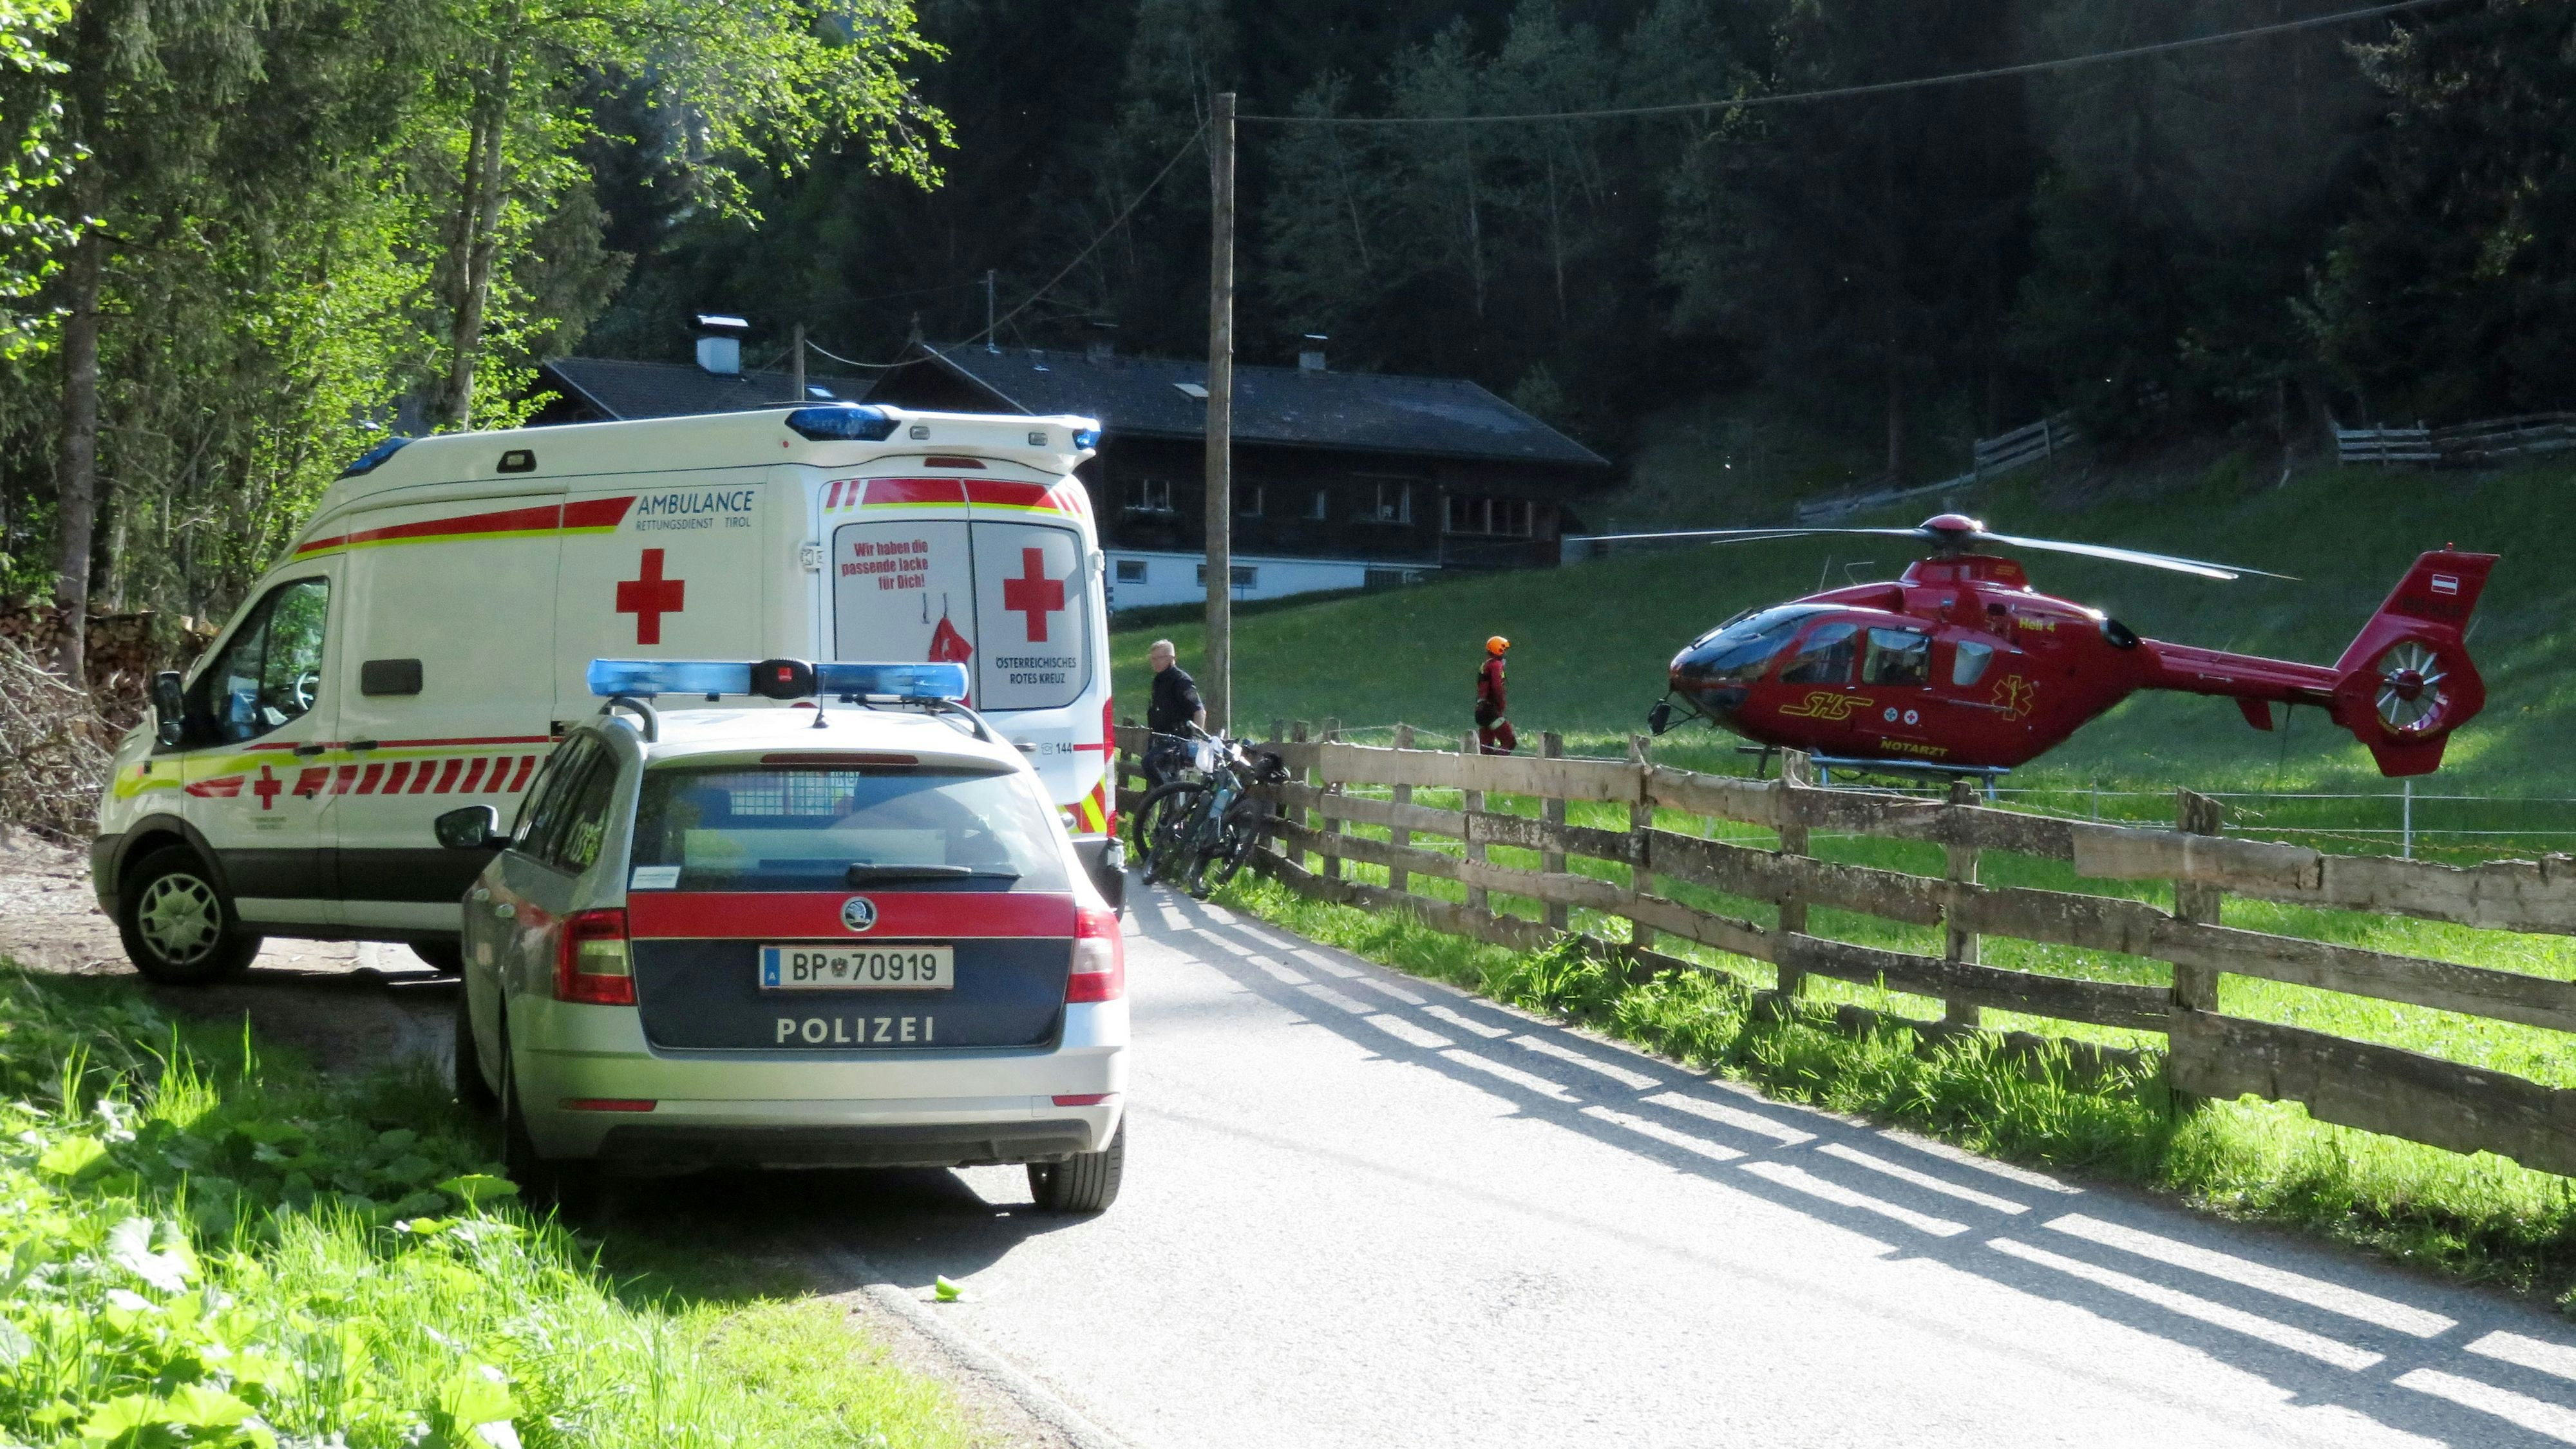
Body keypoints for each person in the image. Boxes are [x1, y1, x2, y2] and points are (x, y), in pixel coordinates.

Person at [1143, 638, 1207, 788]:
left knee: (1149, 763)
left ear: (1171, 658)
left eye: (1160, 658)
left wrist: (1195, 742)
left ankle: (1168, 794)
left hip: (1179, 738)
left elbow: (1199, 711)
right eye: (1153, 659)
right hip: (1162, 738)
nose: (1155, 662)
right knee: (1151, 764)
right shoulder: (1159, 680)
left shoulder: (1180, 680)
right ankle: (1169, 800)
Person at [1474, 635, 1517, 755]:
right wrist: (1501, 703)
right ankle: (1497, 768)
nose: (1505, 654)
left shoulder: (1486, 664)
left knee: (1486, 749)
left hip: (1481, 711)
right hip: (1491, 711)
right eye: (1504, 650)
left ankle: (1486, 769)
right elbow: (1497, 686)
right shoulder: (1496, 665)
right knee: (1509, 741)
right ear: (1499, 649)